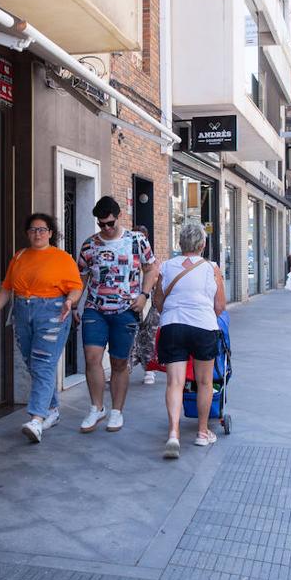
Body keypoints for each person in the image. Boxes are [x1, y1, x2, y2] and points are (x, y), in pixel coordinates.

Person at [0, 213, 83, 443]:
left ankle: (37, 419)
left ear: (50, 233)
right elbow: (7, 288)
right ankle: (53, 411)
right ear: (27, 233)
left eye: (42, 229)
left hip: (52, 312)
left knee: (42, 363)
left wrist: (70, 301)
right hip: (22, 311)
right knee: (32, 361)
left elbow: (76, 287)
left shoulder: (61, 258)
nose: (37, 234)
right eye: (33, 230)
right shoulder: (19, 257)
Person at [77, 196, 158, 434]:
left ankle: (117, 412)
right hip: (95, 308)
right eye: (101, 224)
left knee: (119, 362)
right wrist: (73, 305)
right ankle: (96, 408)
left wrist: (144, 295)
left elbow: (151, 268)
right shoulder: (89, 245)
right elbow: (81, 277)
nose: (106, 229)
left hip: (126, 310)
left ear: (118, 216)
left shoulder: (137, 240)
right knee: (92, 358)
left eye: (110, 223)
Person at [155, 222, 226, 459]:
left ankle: (173, 434)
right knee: (204, 382)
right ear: (203, 245)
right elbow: (220, 306)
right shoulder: (212, 268)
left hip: (173, 325)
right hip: (203, 326)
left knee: (174, 383)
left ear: (179, 244)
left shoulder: (166, 266)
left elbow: (157, 303)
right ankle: (202, 433)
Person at [130, 225, 162, 386]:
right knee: (131, 337)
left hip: (150, 304)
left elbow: (157, 278)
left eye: (142, 237)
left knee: (149, 337)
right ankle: (123, 369)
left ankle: (149, 371)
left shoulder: (153, 260)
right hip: (133, 303)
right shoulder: (128, 257)